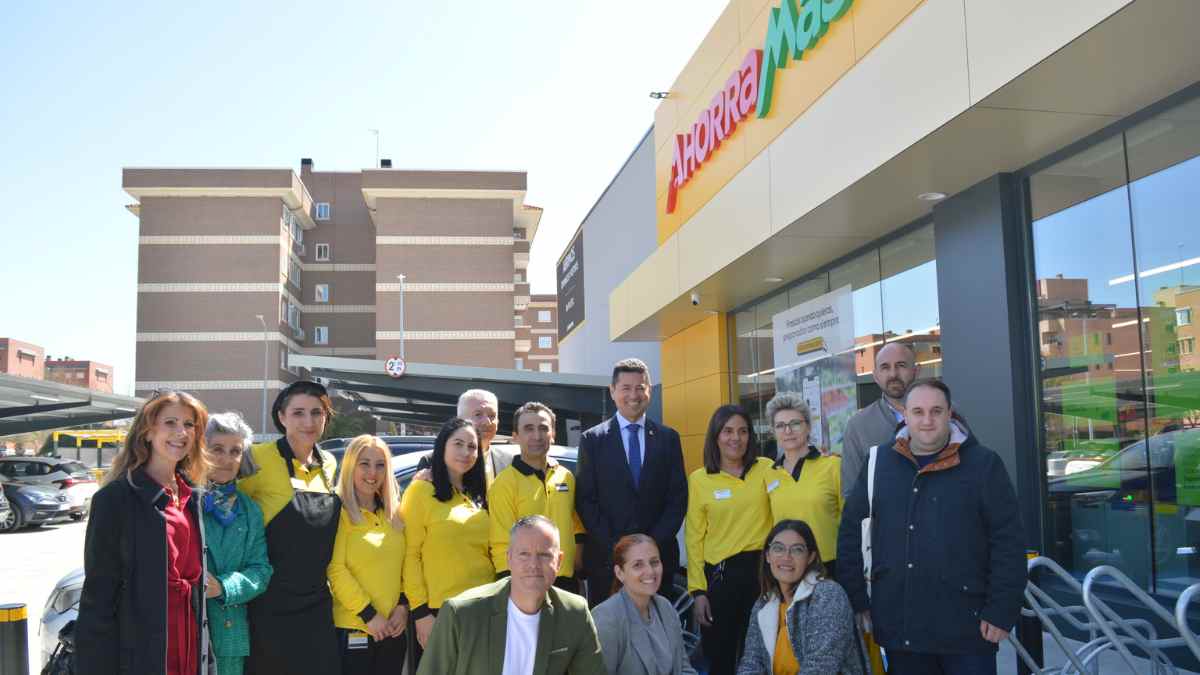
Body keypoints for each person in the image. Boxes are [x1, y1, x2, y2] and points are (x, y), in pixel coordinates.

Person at [837, 380, 1026, 675]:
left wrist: (1002, 610)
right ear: (905, 416)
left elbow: (1008, 542)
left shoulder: (984, 464)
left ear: (949, 413)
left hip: (968, 628)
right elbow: (850, 533)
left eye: (936, 411)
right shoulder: (879, 463)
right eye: (918, 411)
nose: (927, 420)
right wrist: (858, 599)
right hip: (901, 626)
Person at [77, 390, 214, 675]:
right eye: (170, 422)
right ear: (148, 432)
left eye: (189, 424)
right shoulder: (115, 500)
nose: (181, 432)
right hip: (142, 652)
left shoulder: (194, 498)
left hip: (190, 646)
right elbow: (98, 598)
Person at [238, 380, 342, 674]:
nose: (308, 422)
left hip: (318, 602)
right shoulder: (257, 458)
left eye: (316, 413)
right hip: (269, 604)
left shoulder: (330, 463)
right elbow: (226, 508)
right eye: (298, 413)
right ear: (282, 417)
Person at [417, 515, 605, 675]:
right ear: (509, 558)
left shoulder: (574, 612)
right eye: (524, 554)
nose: (534, 564)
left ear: (559, 561)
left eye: (544, 555)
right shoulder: (461, 613)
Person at [577, 358, 687, 607]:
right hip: (608, 562)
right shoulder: (592, 440)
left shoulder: (668, 439)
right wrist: (620, 548)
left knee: (656, 637)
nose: (634, 395)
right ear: (613, 391)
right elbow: (586, 501)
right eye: (626, 388)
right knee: (609, 640)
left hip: (657, 561)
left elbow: (677, 499)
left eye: (641, 387)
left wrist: (649, 546)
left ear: (650, 390)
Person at [685, 404, 774, 675]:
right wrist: (698, 592)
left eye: (743, 431)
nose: (736, 438)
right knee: (720, 657)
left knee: (764, 653)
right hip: (722, 579)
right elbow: (694, 537)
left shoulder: (767, 468)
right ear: (716, 436)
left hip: (764, 575)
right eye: (728, 431)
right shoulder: (700, 479)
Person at [400, 417, 494, 666]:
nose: (466, 452)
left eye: (472, 446)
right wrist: (420, 614)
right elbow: (410, 556)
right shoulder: (421, 491)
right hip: (438, 612)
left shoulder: (480, 496)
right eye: (458, 444)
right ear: (442, 446)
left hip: (482, 608)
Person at [736, 520, 863, 675]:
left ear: (810, 557)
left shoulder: (828, 595)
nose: (786, 557)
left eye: (797, 550)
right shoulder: (763, 603)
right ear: (768, 556)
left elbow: (820, 667)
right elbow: (751, 663)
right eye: (778, 549)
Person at [328, 434, 409, 674]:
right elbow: (335, 570)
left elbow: (407, 565)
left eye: (380, 465)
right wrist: (369, 615)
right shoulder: (338, 512)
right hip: (356, 628)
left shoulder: (395, 515)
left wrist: (403, 607)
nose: (372, 473)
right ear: (351, 465)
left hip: (393, 629)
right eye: (365, 464)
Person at [202, 412, 273, 675]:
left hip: (230, 636)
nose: (227, 459)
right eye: (217, 449)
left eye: (235, 451)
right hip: (182, 630)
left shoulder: (250, 510)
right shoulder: (181, 502)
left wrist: (223, 586)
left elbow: (261, 571)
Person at [489, 402, 583, 593]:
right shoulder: (504, 484)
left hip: (566, 582)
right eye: (528, 429)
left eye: (543, 428)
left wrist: (577, 565)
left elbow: (576, 525)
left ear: (553, 434)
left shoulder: (566, 476)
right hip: (526, 583)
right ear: (515, 436)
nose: (537, 436)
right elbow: (501, 543)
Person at [592, 534, 698, 675]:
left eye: (654, 562)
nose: (649, 571)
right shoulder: (606, 618)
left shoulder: (665, 607)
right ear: (619, 573)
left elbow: (684, 669)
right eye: (638, 565)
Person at [762, 393, 842, 579]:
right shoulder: (768, 474)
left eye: (795, 423)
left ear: (808, 426)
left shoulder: (833, 466)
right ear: (774, 431)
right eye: (780, 426)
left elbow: (849, 521)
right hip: (786, 568)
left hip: (828, 567)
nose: (788, 431)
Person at [840, 342, 919, 500]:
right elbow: (852, 493)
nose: (893, 374)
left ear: (916, 371)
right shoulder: (858, 426)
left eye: (901, 365)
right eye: (885, 367)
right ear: (875, 376)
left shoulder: (944, 414)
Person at [415, 389, 515, 487]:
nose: (487, 422)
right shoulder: (432, 461)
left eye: (492, 416)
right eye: (478, 415)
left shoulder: (509, 461)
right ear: (460, 420)